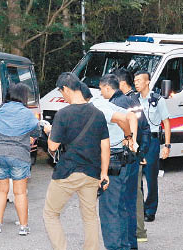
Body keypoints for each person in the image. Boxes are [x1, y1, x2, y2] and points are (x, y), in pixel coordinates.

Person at [43, 72, 111, 250]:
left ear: (65, 89)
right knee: (89, 216)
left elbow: (52, 147)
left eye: (61, 92)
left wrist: (50, 131)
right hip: (92, 173)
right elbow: (105, 146)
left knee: (50, 213)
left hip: (67, 172)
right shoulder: (98, 114)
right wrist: (104, 173)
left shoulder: (63, 114)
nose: (62, 97)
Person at [80, 80, 138, 250]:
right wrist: (131, 139)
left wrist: (128, 137)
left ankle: (116, 247)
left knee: (109, 210)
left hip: (112, 159)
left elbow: (122, 119)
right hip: (123, 159)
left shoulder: (96, 108)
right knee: (120, 207)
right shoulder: (102, 102)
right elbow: (131, 115)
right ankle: (125, 246)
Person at [99, 73, 150, 249]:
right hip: (134, 157)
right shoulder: (133, 100)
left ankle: (122, 245)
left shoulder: (113, 105)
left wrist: (129, 140)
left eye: (101, 89)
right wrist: (140, 150)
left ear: (109, 87)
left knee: (116, 206)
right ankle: (131, 244)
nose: (100, 93)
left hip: (121, 158)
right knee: (129, 203)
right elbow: (145, 126)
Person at [0, 83, 39, 236]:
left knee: (1, 190)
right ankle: (23, 227)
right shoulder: (27, 113)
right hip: (19, 155)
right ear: (23, 96)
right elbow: (35, 131)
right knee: (20, 193)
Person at [114, 68, 150, 243]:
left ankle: (136, 232)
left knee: (131, 194)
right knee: (134, 193)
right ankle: (137, 231)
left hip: (129, 154)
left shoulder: (125, 102)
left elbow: (141, 129)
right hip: (135, 153)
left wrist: (139, 151)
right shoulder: (134, 100)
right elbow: (145, 128)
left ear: (121, 83)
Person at [134, 70, 171, 223]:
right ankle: (140, 209)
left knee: (151, 177)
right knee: (137, 178)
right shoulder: (133, 100)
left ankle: (150, 210)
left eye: (139, 80)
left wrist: (167, 145)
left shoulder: (157, 100)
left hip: (152, 141)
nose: (136, 83)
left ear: (147, 82)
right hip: (137, 141)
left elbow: (166, 122)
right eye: (134, 81)